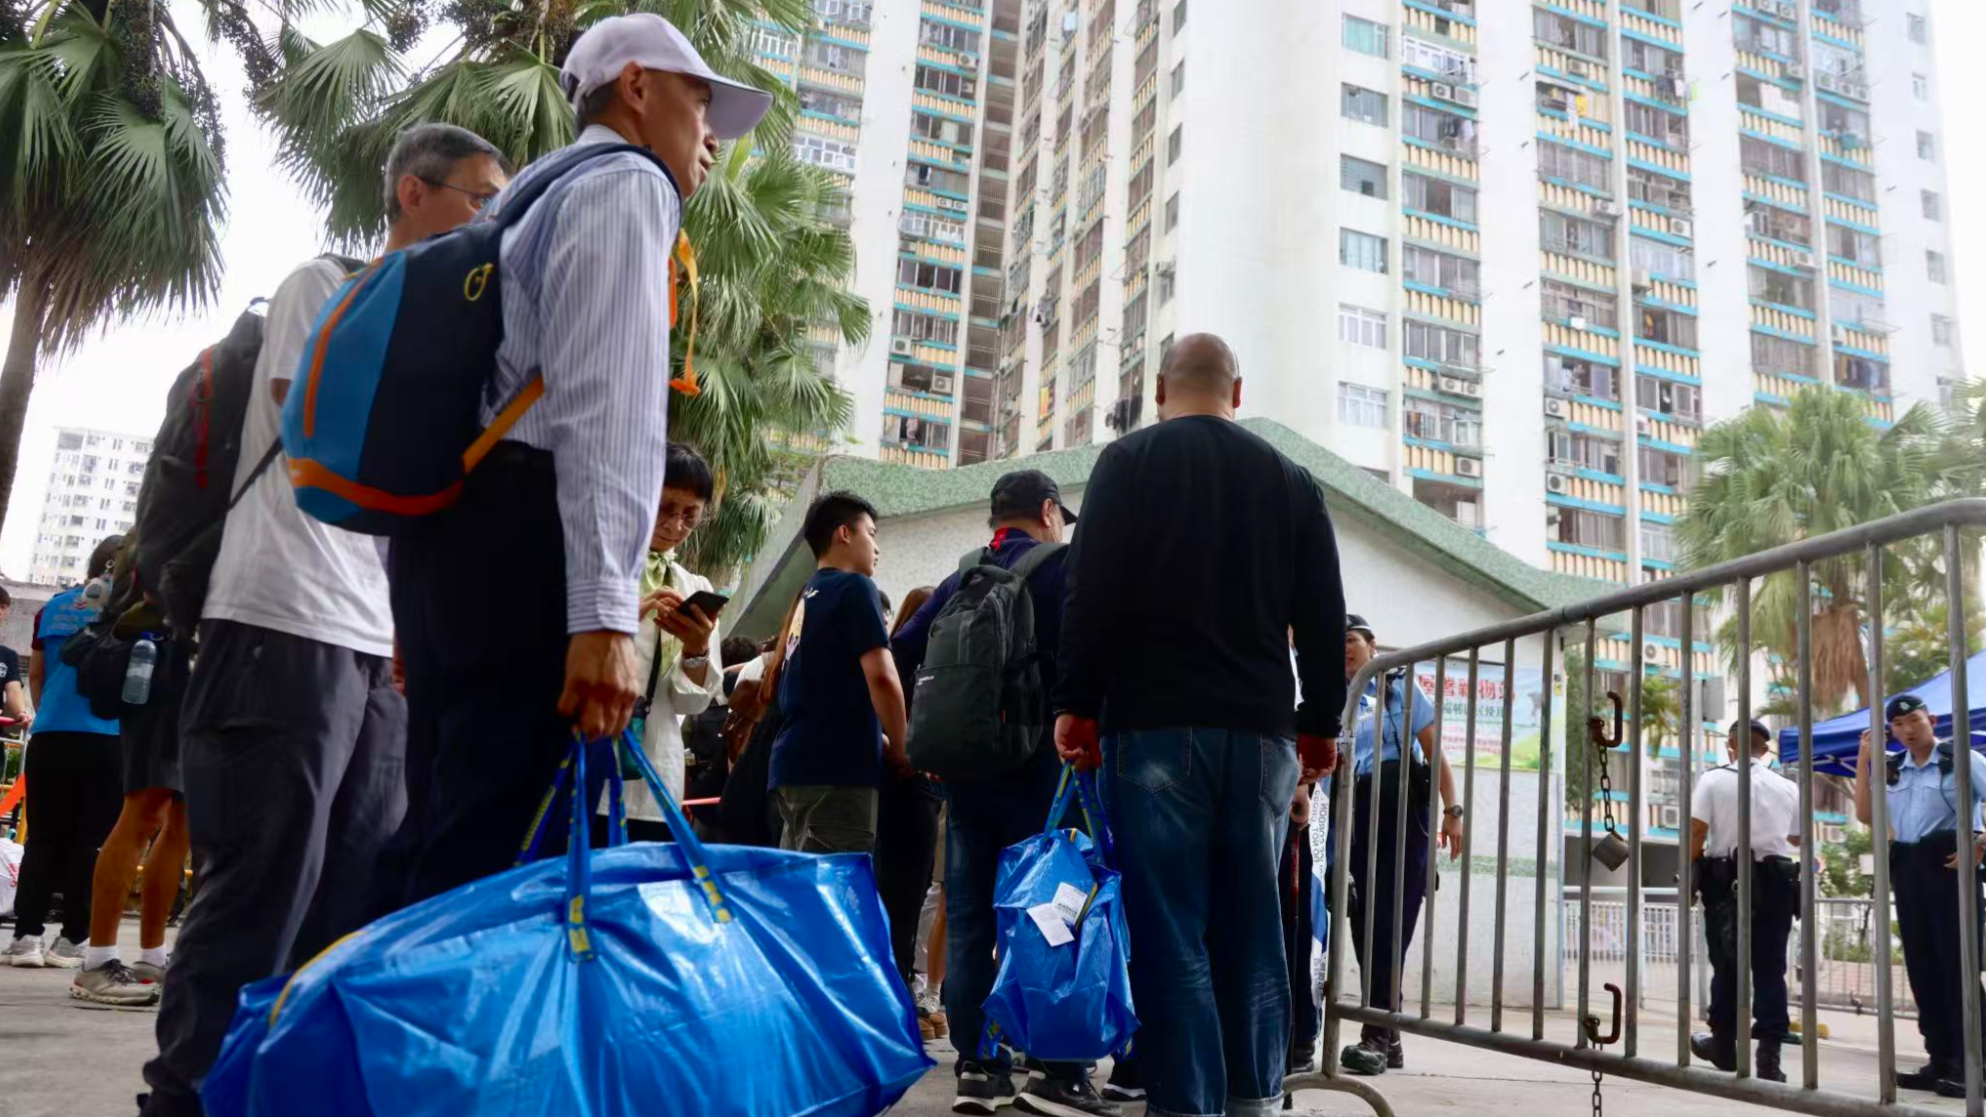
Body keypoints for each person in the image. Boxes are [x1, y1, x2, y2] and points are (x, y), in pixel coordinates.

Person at [139, 123, 507, 1117]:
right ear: (412, 193)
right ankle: (186, 1098)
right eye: (482, 198)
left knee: (350, 900)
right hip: (279, 621)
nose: (493, 220)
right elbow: (337, 429)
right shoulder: (325, 286)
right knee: (258, 894)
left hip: (373, 650)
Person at [389, 14, 771, 908]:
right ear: (637, 88)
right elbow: (608, 405)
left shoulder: (532, 192)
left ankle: (365, 995)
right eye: (699, 102)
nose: (712, 136)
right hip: (527, 528)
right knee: (492, 855)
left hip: (457, 522)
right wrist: (603, 615)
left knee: (445, 833)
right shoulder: (628, 184)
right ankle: (417, 1002)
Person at [1052, 334, 1346, 1117]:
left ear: (1158, 390)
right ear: (1237, 393)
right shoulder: (1291, 479)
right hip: (1261, 733)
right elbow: (1324, 611)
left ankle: (1186, 1105)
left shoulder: (1126, 463)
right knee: (1254, 924)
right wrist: (1320, 721)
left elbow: (1089, 590)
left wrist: (1076, 701)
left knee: (1171, 927)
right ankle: (1254, 1100)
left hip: (1152, 723)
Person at [892, 469, 1123, 1117]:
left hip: (969, 777)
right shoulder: (1064, 568)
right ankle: (1057, 1071)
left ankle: (978, 1069)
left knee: (969, 922)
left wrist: (931, 735)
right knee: (1051, 915)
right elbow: (1091, 650)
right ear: (1049, 511)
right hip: (1046, 773)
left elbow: (901, 648)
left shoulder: (964, 576)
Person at [1334, 614, 1466, 1076]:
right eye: (1337, 641)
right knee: (1362, 922)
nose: (1344, 647)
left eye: (1352, 639)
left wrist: (1453, 811)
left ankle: (1375, 1035)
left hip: (1403, 816)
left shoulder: (1400, 689)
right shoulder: (1332, 696)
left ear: (1372, 645)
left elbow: (1435, 752)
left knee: (1390, 925)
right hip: (1354, 814)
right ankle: (1388, 1035)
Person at [2, 537, 125, 973]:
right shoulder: (130, 611)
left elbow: (35, 674)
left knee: (43, 837)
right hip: (109, 737)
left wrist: (50, 711)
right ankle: (72, 939)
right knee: (90, 842)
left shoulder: (52, 609)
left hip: (52, 735)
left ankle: (26, 938)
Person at [1856, 694, 1986, 1098]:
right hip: (1909, 868)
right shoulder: (1894, 768)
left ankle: (1973, 1063)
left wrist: (1982, 841)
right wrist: (1864, 760)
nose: (1907, 730)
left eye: (1914, 720)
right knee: (1922, 968)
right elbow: (1867, 815)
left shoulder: (1960, 759)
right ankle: (1940, 1059)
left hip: (1949, 867)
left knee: (1957, 968)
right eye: (1898, 725)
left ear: (1932, 719)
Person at [769, 491, 909, 854]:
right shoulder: (855, 586)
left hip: (793, 766)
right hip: (838, 772)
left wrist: (880, 739)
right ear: (844, 533)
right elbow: (882, 677)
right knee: (836, 883)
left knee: (803, 882)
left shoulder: (807, 596)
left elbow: (822, 692)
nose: (877, 547)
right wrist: (903, 747)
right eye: (871, 534)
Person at [608, 443, 724, 838]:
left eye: (690, 515)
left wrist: (697, 649)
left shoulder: (694, 587)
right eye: (665, 508)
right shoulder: (602, 567)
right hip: (585, 763)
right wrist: (629, 615)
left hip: (654, 775)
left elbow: (691, 703)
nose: (676, 526)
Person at [1687, 719, 1800, 1082]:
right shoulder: (1787, 787)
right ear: (1764, 750)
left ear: (1730, 745)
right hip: (1777, 884)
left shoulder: (1713, 780)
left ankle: (1724, 1045)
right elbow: (1797, 838)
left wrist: (1690, 872)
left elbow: (1697, 830)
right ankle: (1769, 1056)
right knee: (1770, 969)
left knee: (1728, 965)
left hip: (1729, 882)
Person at [876, 583, 941, 1035]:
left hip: (898, 786)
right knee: (907, 897)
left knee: (903, 896)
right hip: (913, 784)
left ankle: (902, 993)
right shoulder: (917, 666)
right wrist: (905, 749)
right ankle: (899, 997)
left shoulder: (894, 658)